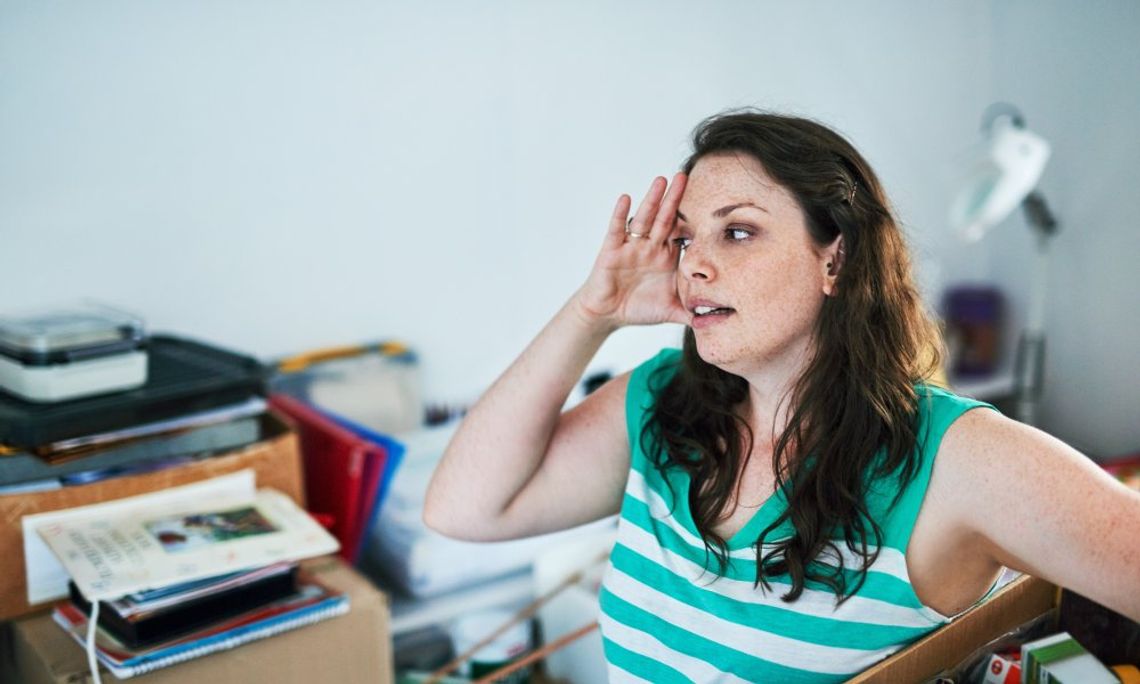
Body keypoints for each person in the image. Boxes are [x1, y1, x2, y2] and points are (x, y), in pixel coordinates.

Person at [423, 111, 1140, 682]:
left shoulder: (955, 459)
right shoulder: (657, 405)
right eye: (682, 240)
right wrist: (593, 313)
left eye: (737, 232)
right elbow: (463, 509)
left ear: (837, 257)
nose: (695, 264)